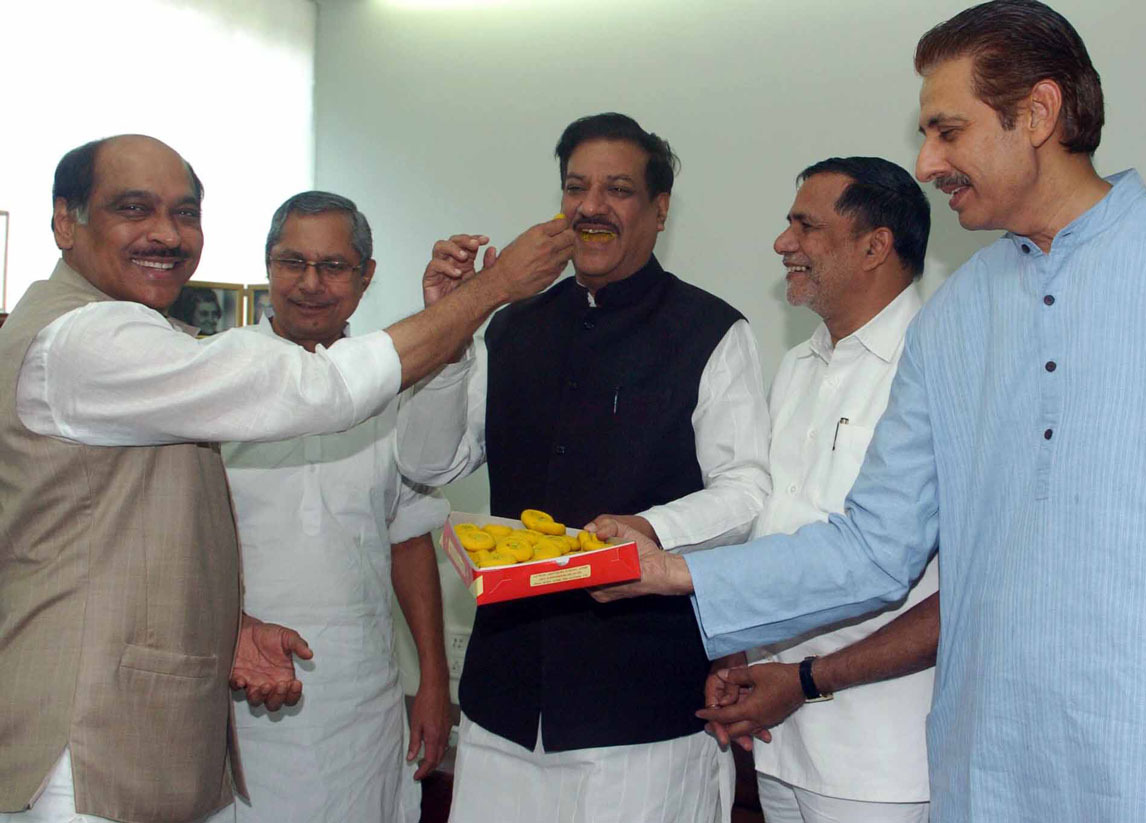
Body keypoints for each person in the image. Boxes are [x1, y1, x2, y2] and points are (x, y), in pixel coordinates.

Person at [590, 2, 1146, 821]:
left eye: (949, 130)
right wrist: (671, 567)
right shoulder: (954, 318)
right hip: (987, 763)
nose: (926, 160)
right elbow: (876, 548)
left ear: (1040, 114)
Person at [0, 134, 573, 823]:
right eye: (133, 208)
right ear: (66, 219)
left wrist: (230, 621)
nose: (166, 233)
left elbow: (132, 541)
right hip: (96, 741)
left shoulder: (145, 351)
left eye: (185, 213)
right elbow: (320, 389)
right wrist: (495, 286)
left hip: (292, 694)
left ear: (365, 275)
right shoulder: (92, 341)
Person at [411, 113, 772, 823]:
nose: (592, 207)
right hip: (503, 703)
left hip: (641, 713)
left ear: (660, 210)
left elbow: (748, 492)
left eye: (618, 189)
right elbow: (428, 458)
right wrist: (450, 326)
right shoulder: (511, 324)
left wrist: (648, 528)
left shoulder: (711, 330)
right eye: (577, 188)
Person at [706, 158, 939, 823]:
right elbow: (768, 531)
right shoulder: (796, 365)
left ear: (874, 245)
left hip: (882, 761)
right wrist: (734, 655)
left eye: (806, 226)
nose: (784, 244)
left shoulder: (933, 365)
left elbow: (956, 587)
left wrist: (803, 682)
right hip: (778, 740)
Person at [221, 191, 453, 823]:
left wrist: (434, 679)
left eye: (334, 266)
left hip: (359, 696)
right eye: (292, 262)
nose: (310, 284)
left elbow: (408, 540)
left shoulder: (393, 385)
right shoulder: (217, 378)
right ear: (268, 265)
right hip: (235, 695)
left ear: (366, 275)